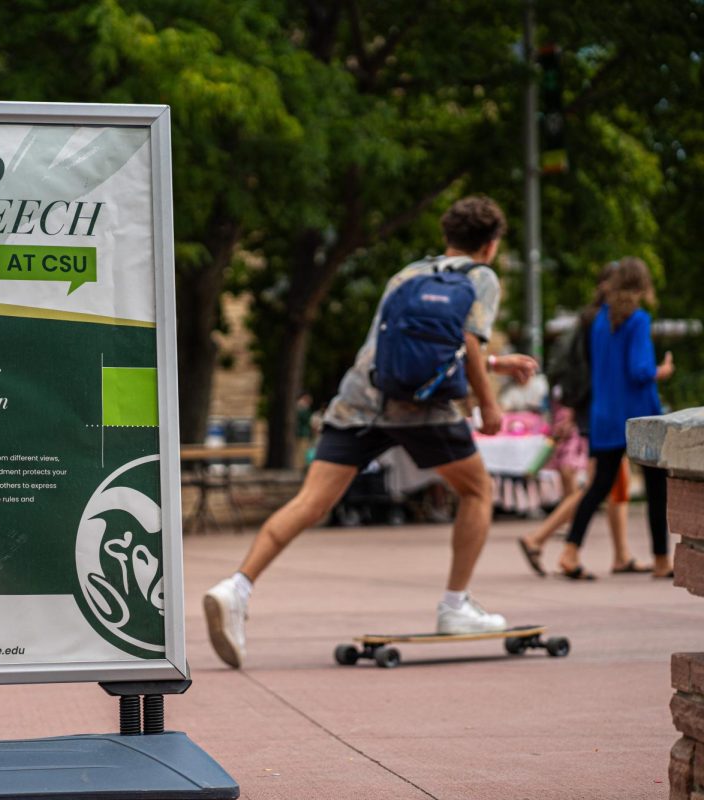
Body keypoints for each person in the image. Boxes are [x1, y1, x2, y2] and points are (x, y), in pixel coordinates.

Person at [202, 196, 538, 668]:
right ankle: (455, 605)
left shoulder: (408, 275)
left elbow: (397, 343)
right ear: (490, 244)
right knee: (478, 490)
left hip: (361, 397)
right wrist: (489, 404)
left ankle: (235, 587)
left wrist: (496, 365)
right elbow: (465, 342)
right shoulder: (480, 278)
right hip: (422, 408)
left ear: (447, 236)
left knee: (309, 503)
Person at [518, 265, 647, 577]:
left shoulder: (594, 317)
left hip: (592, 407)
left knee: (616, 481)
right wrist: (575, 411)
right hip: (597, 409)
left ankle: (621, 555)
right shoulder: (601, 319)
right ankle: (539, 538)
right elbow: (595, 371)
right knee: (597, 484)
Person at [556, 257, 674, 580]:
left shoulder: (601, 320)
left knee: (597, 487)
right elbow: (639, 371)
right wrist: (660, 371)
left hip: (604, 414)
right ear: (642, 285)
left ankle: (569, 551)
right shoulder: (637, 320)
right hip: (639, 416)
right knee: (655, 488)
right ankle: (662, 560)